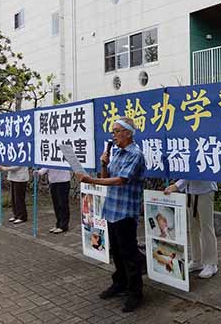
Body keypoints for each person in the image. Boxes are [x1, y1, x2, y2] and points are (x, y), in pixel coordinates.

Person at [76, 117, 146, 313]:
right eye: (113, 132)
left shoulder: (135, 154)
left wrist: (90, 180)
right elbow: (106, 178)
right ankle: (120, 283)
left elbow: (121, 181)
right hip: (112, 210)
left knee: (129, 253)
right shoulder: (116, 153)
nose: (113, 135)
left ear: (128, 133)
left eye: (116, 131)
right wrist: (104, 164)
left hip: (125, 212)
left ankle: (136, 292)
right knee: (115, 250)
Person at [164, 180, 218, 279]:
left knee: (206, 228)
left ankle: (211, 263)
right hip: (190, 191)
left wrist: (176, 186)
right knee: (193, 228)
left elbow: (193, 171)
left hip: (205, 190)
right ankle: (196, 260)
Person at [38, 168, 71, 234]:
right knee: (56, 204)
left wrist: (40, 172)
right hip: (53, 182)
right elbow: (47, 165)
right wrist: (39, 172)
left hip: (63, 181)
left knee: (62, 204)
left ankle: (63, 226)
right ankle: (58, 224)